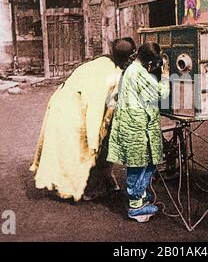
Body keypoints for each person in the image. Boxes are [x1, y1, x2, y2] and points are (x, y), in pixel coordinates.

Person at [30, 38, 137, 202]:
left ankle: (104, 179)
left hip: (66, 101)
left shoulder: (105, 61)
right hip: (70, 108)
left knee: (94, 142)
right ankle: (88, 189)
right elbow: (96, 109)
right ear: (127, 59)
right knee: (83, 149)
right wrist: (95, 139)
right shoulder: (111, 75)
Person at [107, 42, 170, 223]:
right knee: (144, 162)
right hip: (136, 125)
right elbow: (160, 94)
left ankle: (139, 196)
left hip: (130, 122)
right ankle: (135, 205)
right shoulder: (139, 72)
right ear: (150, 62)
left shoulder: (132, 69)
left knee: (139, 162)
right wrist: (165, 74)